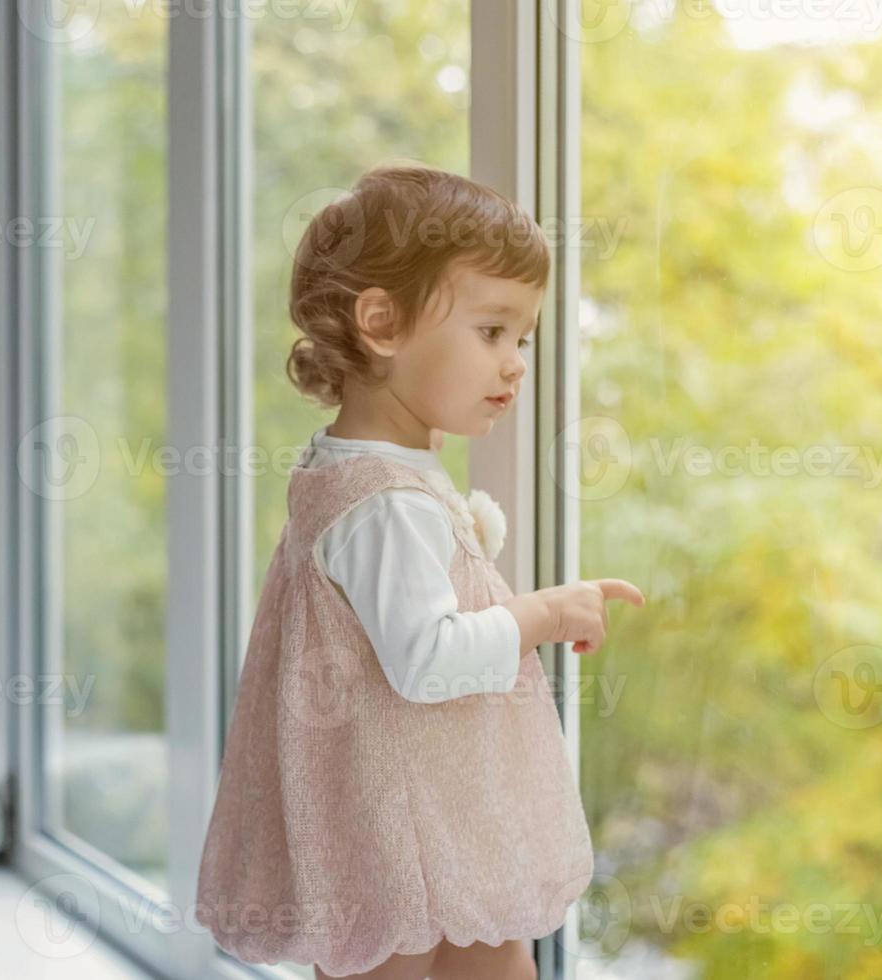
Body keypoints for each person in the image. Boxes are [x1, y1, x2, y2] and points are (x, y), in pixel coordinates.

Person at [194, 163, 646, 980]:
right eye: (491, 331)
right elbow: (427, 659)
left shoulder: (370, 472)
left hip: (431, 810)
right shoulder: (385, 501)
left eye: (524, 339)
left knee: (495, 954)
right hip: (400, 827)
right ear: (382, 322)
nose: (515, 364)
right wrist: (544, 614)